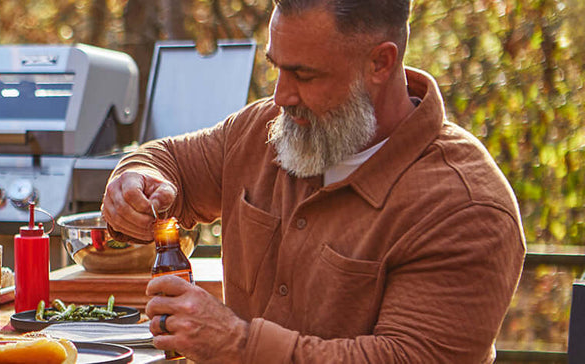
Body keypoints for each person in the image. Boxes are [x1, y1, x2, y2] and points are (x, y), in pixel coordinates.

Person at [101, 0, 525, 362]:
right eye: (276, 68)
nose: (281, 96)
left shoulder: (466, 207)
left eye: (304, 75)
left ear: (381, 62)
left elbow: (403, 357)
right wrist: (134, 179)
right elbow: (169, 160)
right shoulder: (266, 128)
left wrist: (237, 344)